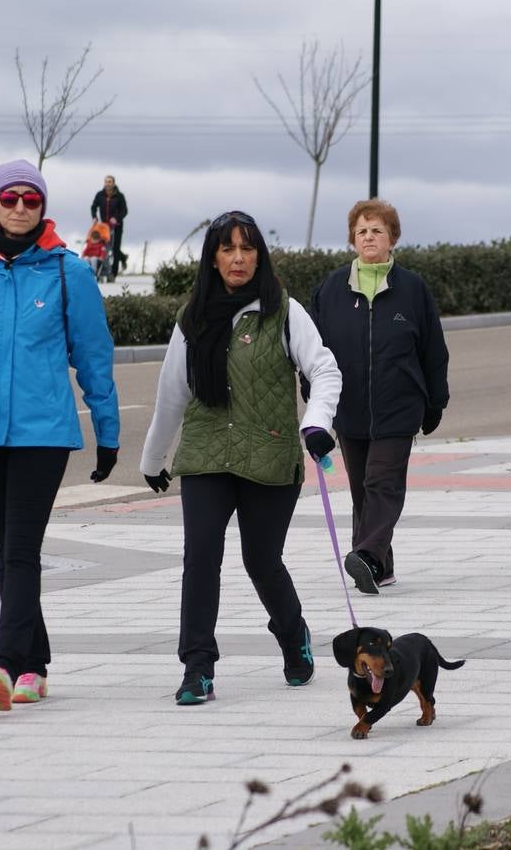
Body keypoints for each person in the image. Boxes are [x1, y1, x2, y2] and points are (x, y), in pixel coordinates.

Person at [0, 159, 121, 712]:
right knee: (7, 549)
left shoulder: (68, 272)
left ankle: (5, 661)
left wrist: (107, 431)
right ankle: (35, 662)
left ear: (42, 206)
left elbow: (93, 357)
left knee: (19, 550)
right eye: (9, 198)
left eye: (29, 199)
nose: (18, 208)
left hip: (44, 432)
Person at [139, 210, 342, 705]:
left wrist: (317, 422)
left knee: (261, 560)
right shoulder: (194, 317)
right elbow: (172, 393)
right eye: (227, 249)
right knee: (201, 557)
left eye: (247, 248)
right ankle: (197, 667)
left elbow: (325, 369)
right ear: (212, 257)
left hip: (270, 452)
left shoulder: (285, 311)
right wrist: (153, 458)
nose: (237, 258)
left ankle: (293, 636)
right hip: (207, 453)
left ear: (259, 255)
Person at [308, 199, 450, 595]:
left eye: (377, 231)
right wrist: (315, 400)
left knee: (381, 483)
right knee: (361, 491)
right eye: (362, 231)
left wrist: (435, 402)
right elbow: (312, 352)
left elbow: (433, 351)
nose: (369, 237)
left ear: (392, 239)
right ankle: (381, 568)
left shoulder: (412, 289)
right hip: (348, 408)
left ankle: (366, 554)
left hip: (398, 407)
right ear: (353, 239)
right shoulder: (331, 290)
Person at [90, 174, 129, 281]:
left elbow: (124, 211)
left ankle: (113, 273)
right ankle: (122, 258)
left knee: (115, 248)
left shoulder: (119, 196)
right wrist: (94, 217)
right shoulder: (100, 195)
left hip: (117, 226)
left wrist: (116, 218)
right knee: (105, 248)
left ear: (113, 183)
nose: (108, 184)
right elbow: (93, 207)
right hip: (104, 227)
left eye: (110, 182)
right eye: (106, 181)